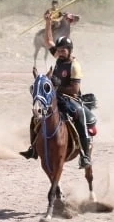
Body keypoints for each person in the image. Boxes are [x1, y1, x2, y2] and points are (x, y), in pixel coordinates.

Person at [20, 11, 96, 169]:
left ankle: (85, 155)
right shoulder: (59, 57)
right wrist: (47, 22)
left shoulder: (74, 65)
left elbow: (74, 89)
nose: (60, 51)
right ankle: (33, 149)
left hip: (70, 99)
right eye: (59, 49)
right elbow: (48, 41)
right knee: (35, 116)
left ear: (69, 50)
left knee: (79, 117)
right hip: (54, 96)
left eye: (64, 49)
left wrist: (56, 87)